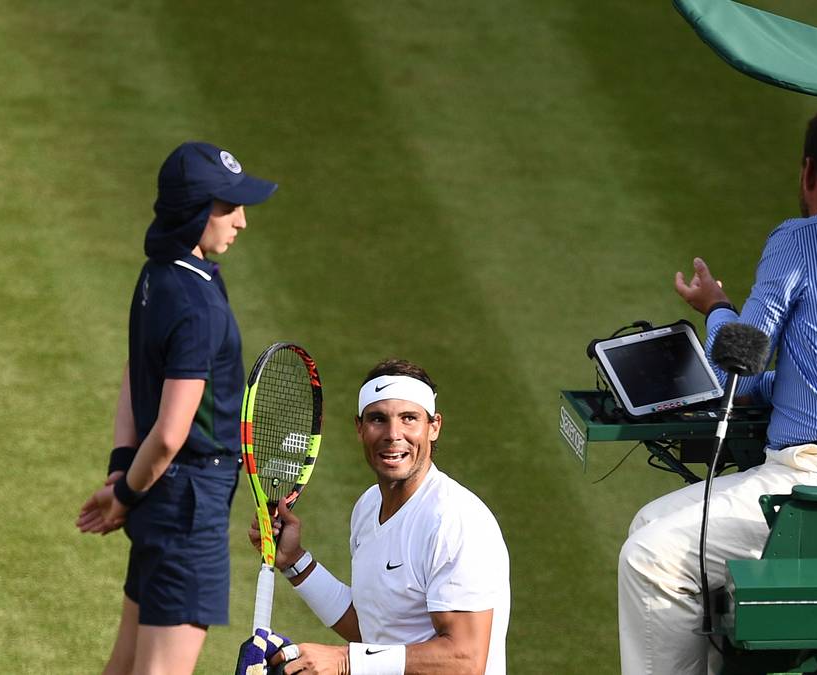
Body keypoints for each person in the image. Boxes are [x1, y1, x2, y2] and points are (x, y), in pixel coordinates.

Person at [617, 104, 817, 675]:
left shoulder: (799, 239)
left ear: (809, 172)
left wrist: (716, 305)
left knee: (650, 560)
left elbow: (734, 369)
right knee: (649, 526)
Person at [76, 141, 277, 674]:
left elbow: (133, 374)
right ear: (194, 209)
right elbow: (168, 434)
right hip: (189, 506)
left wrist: (123, 473)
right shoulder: (198, 303)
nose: (241, 221)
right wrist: (124, 492)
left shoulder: (158, 277)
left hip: (160, 496)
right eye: (228, 207)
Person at [252, 359, 511, 675]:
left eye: (409, 418)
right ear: (360, 429)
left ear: (434, 427)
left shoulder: (454, 520)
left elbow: (465, 659)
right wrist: (294, 562)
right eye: (378, 419)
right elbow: (375, 630)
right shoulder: (367, 506)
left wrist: (346, 661)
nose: (393, 434)